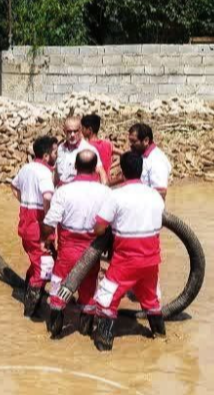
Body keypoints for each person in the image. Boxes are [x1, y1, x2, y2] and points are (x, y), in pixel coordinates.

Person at [91, 151, 167, 351]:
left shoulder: (116, 196)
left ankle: (104, 346)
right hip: (151, 259)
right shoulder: (156, 197)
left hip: (127, 260)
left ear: (122, 172)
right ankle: (161, 338)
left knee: (107, 300)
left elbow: (98, 228)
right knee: (151, 300)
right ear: (141, 171)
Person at [41, 150, 110, 339]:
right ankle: (85, 331)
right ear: (96, 168)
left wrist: (46, 240)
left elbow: (49, 223)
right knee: (88, 291)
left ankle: (55, 332)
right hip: (93, 250)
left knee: (58, 287)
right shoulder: (105, 192)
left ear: (76, 167)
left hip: (68, 249)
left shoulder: (63, 191)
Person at [11, 135, 58, 317]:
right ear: (46, 156)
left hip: (26, 226)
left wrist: (25, 202)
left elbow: (14, 187)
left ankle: (27, 293)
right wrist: (49, 220)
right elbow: (47, 196)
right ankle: (30, 312)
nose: (57, 156)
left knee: (36, 263)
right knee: (44, 270)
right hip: (39, 229)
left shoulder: (26, 168)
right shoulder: (44, 172)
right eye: (55, 152)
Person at [55, 116, 106, 186]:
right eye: (69, 131)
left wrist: (104, 190)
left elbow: (101, 172)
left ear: (80, 130)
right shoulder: (60, 148)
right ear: (64, 131)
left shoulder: (88, 149)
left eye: (75, 131)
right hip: (61, 191)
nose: (72, 135)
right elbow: (56, 173)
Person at [127, 122, 172, 199]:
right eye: (130, 141)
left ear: (146, 141)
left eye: (134, 141)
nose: (130, 145)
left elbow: (161, 192)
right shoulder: (140, 156)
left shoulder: (157, 160)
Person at [80, 113, 113, 179]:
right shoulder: (107, 144)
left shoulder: (87, 146)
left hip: (94, 181)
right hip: (106, 180)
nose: (81, 130)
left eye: (83, 128)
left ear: (89, 130)